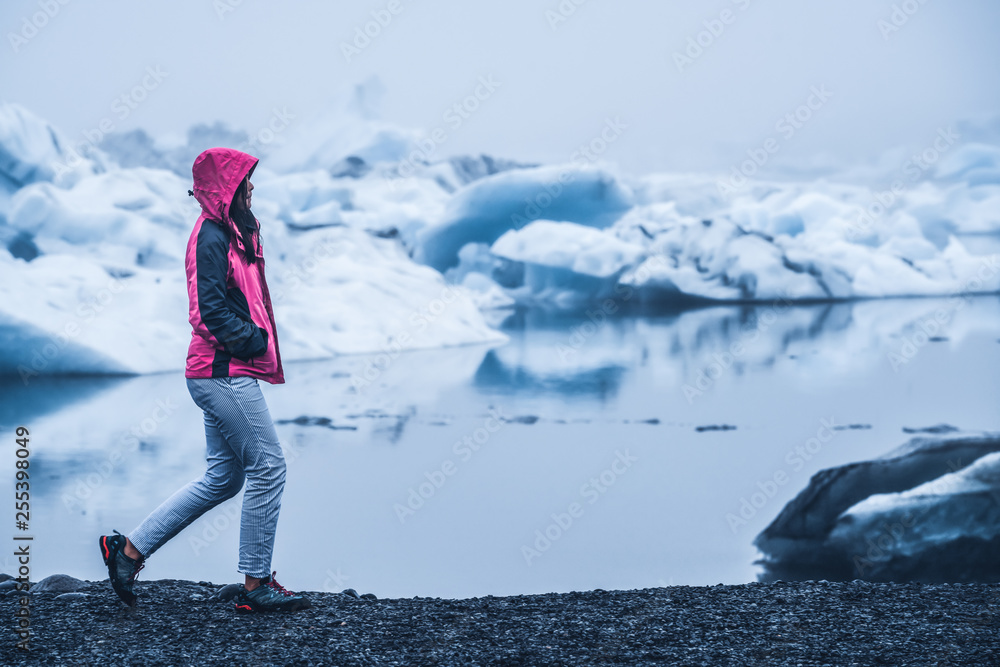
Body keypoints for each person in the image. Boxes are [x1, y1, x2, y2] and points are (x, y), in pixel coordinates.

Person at [99, 147, 309, 613]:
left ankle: (127, 552)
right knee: (270, 466)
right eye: (244, 181)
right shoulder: (211, 237)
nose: (252, 187)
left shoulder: (232, 232)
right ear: (226, 188)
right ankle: (256, 586)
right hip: (223, 371)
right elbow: (207, 312)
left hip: (225, 370)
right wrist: (253, 341)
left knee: (224, 478)